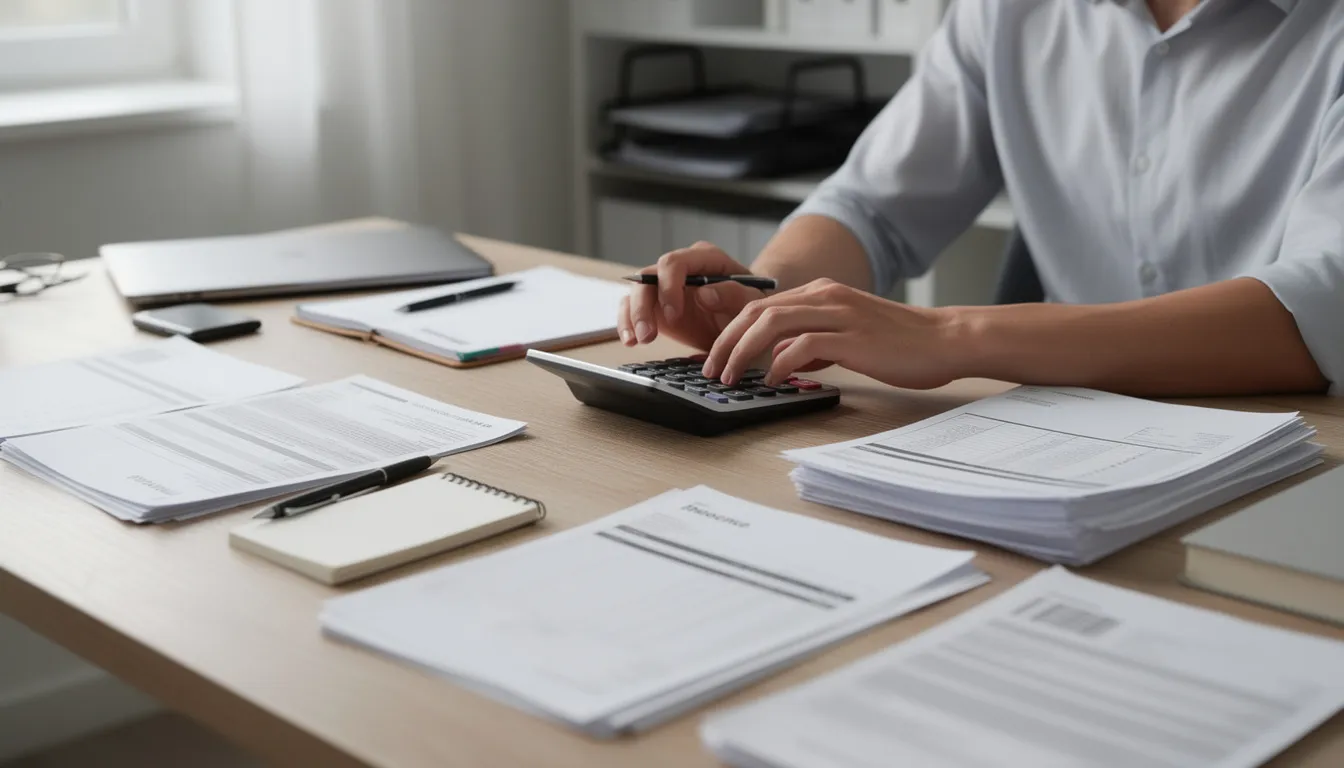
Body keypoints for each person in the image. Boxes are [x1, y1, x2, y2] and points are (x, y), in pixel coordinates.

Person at [616, 0, 1344, 398]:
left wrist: (951, 337)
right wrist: (767, 299)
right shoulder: (1005, 12)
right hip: (1075, 441)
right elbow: (870, 206)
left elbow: (1321, 309)